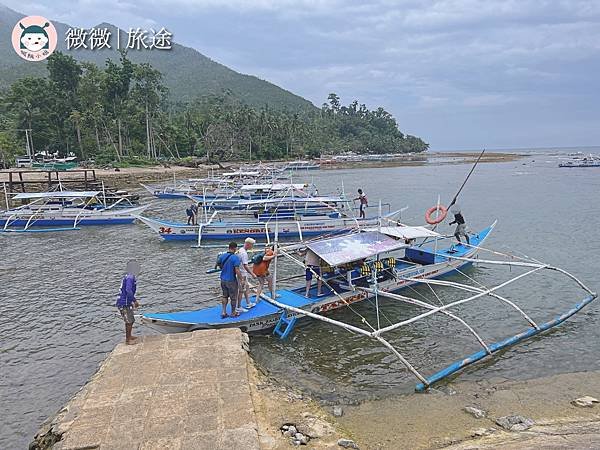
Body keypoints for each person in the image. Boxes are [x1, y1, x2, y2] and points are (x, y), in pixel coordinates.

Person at [115, 260, 141, 345]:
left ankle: (129, 336)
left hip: (126, 301)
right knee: (129, 321)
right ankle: (128, 340)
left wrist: (131, 301)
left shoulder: (128, 276)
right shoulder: (130, 277)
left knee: (131, 320)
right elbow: (128, 290)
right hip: (124, 302)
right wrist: (134, 300)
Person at [217, 242, 242, 318]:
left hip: (223, 279)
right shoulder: (235, 257)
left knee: (224, 296)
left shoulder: (222, 256)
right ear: (235, 248)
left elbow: (218, 263)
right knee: (233, 297)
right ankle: (233, 313)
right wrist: (241, 279)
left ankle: (223, 312)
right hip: (231, 280)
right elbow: (237, 270)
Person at [237, 237, 257, 311]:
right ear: (248, 244)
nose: (252, 247)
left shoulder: (240, 250)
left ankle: (248, 303)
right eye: (252, 245)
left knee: (246, 288)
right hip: (242, 274)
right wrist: (252, 274)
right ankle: (238, 307)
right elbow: (245, 266)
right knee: (241, 290)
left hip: (240, 272)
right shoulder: (244, 253)